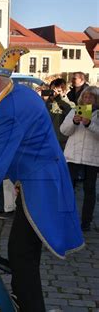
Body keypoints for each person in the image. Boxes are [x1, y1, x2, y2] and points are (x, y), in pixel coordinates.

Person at [0, 30, 84, 311]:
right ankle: (25, 301)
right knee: (23, 252)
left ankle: (29, 305)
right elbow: (20, 151)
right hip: (34, 181)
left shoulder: (12, 106)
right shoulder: (16, 97)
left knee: (21, 253)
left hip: (41, 183)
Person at [60, 86, 98, 232]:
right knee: (68, 189)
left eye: (91, 98)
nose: (88, 100)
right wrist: (74, 122)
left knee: (89, 190)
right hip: (72, 156)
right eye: (86, 97)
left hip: (92, 158)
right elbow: (64, 130)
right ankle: (66, 218)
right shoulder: (74, 110)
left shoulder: (98, 114)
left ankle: (86, 222)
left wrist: (89, 124)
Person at [43, 78, 75, 149]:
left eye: (59, 91)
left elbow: (70, 113)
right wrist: (40, 99)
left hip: (63, 143)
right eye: (53, 91)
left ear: (65, 91)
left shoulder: (71, 105)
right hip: (47, 141)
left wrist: (59, 99)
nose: (55, 93)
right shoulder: (47, 104)